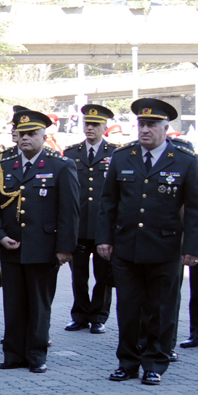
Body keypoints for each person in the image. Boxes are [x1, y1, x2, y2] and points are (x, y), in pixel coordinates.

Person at [98, 98, 198, 385]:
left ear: (166, 128)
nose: (145, 130)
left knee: (161, 310)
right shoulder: (123, 157)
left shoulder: (184, 160)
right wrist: (104, 239)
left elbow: (195, 208)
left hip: (166, 249)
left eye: (152, 125)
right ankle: (127, 362)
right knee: (128, 309)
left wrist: (192, 248)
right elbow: (108, 203)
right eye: (142, 124)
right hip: (127, 247)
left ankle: (155, 362)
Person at [0, 108, 79, 374]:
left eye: (32, 133)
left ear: (43, 136)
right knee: (13, 304)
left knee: (39, 305)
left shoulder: (60, 165)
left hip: (43, 247)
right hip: (11, 246)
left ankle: (36, 355)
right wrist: (0, 236)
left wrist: (65, 248)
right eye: (22, 133)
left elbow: (69, 210)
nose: (25, 138)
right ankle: (13, 354)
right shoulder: (4, 166)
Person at [62, 104, 118, 334]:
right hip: (78, 225)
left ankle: (99, 316)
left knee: (103, 275)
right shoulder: (71, 153)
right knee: (78, 275)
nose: (90, 128)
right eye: (88, 124)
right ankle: (80, 315)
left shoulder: (116, 154)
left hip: (103, 226)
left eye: (96, 125)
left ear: (105, 127)